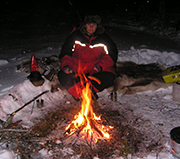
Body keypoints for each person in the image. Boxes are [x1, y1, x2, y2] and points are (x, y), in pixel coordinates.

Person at [57, 15, 118, 100]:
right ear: (85, 25)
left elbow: (112, 55)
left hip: (95, 69)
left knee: (110, 76)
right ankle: (85, 93)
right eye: (89, 24)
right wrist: (67, 66)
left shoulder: (104, 38)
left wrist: (99, 66)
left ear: (97, 26)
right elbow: (65, 53)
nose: (91, 27)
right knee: (63, 75)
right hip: (77, 68)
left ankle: (86, 91)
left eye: (94, 24)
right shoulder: (75, 36)